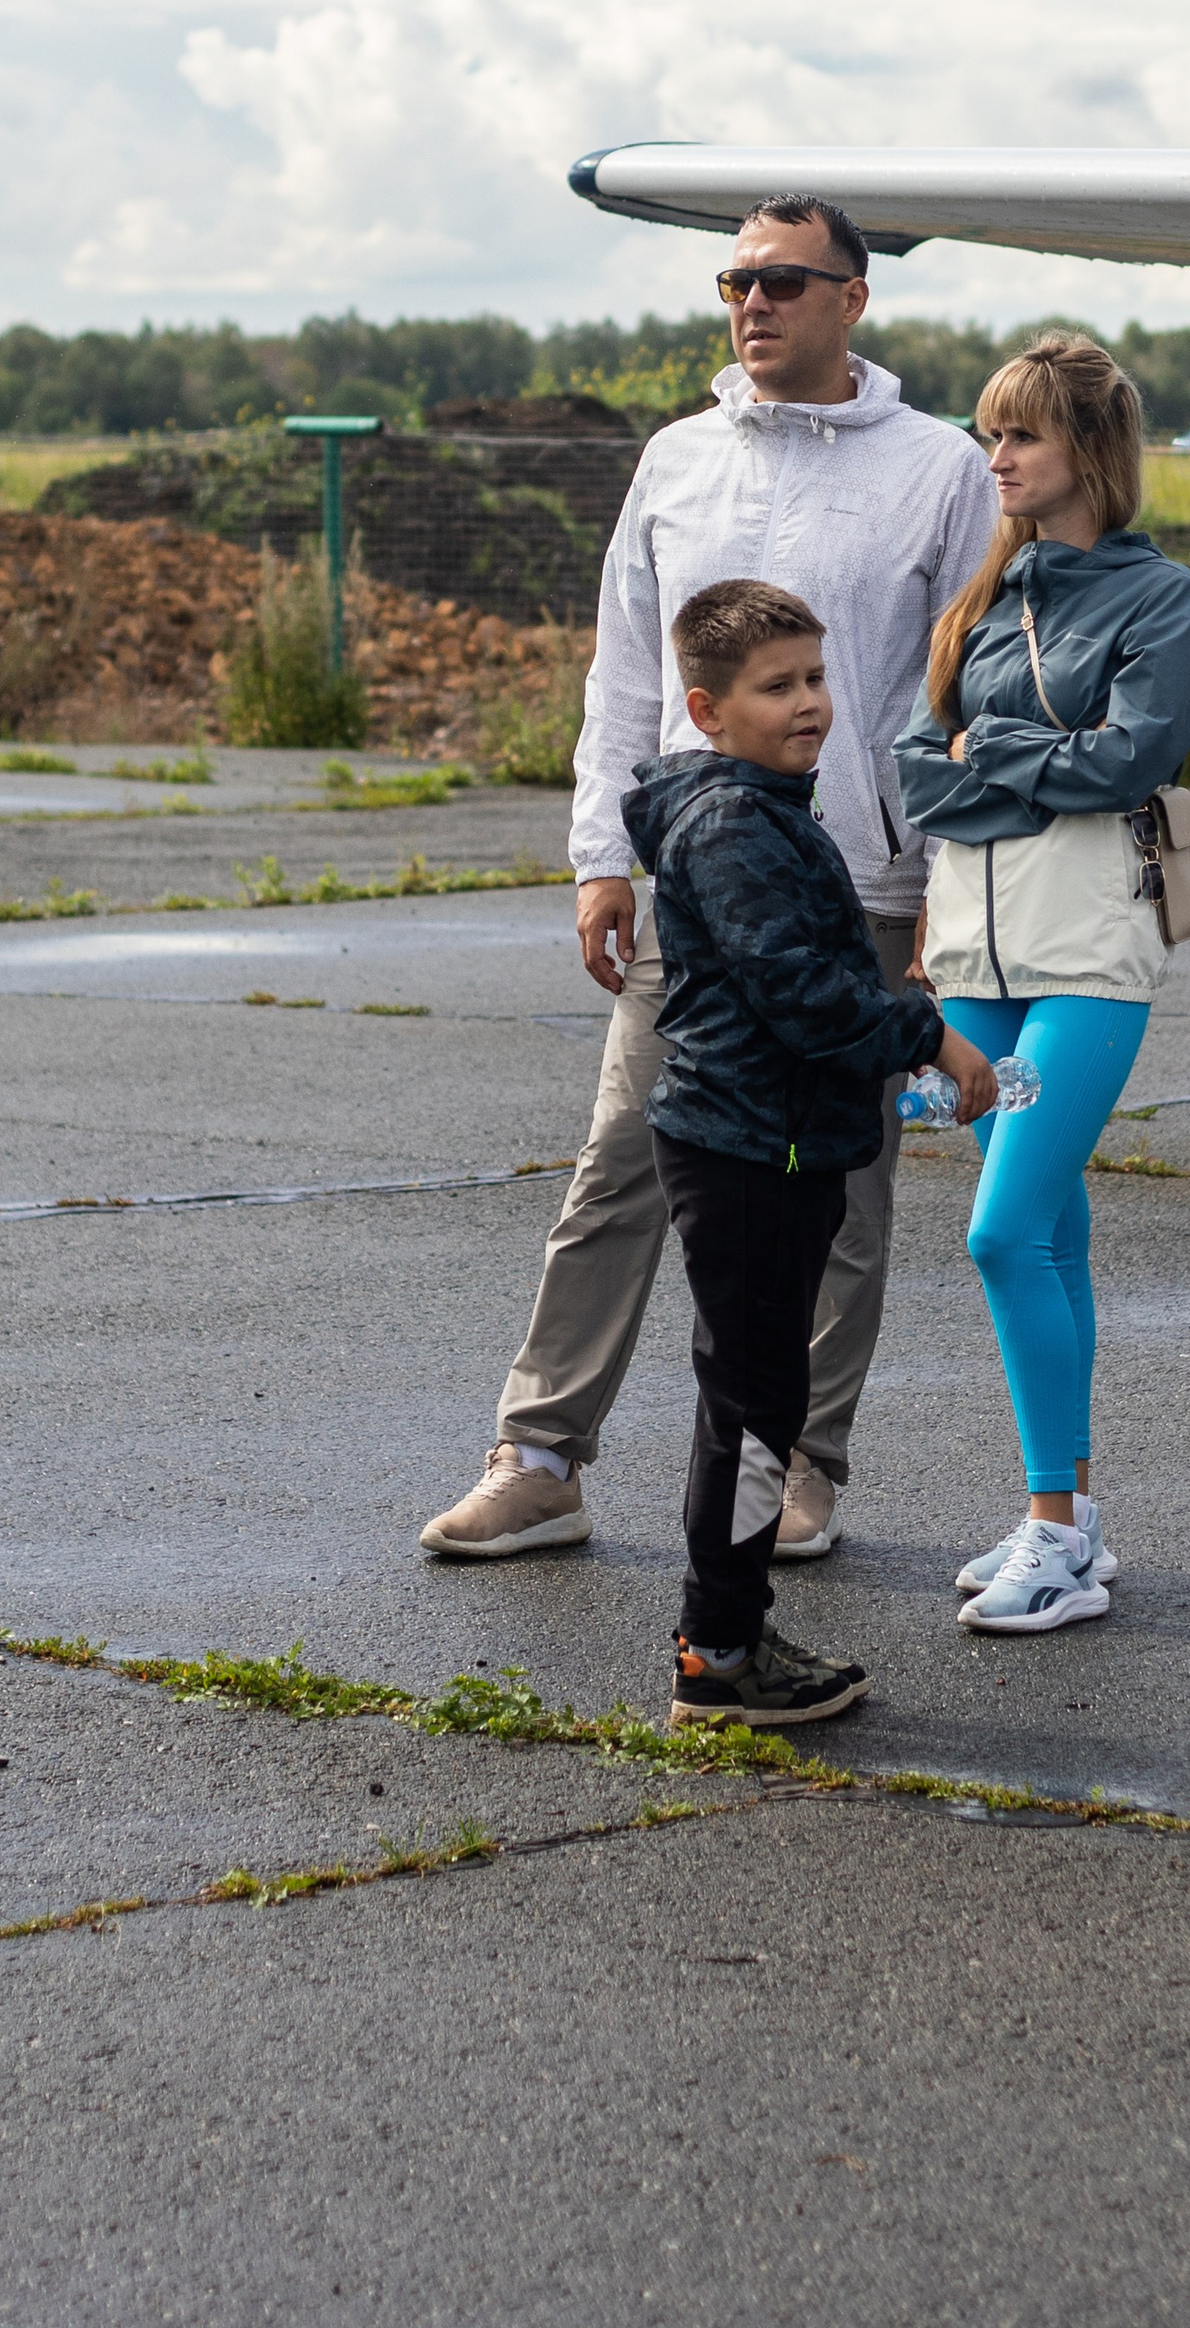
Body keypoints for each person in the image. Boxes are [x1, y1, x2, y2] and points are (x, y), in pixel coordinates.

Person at [420, 195, 997, 1561]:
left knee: (841, 1192)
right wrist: (599, 855)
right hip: (693, 883)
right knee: (622, 1161)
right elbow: (624, 664)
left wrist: (946, 888)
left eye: (784, 281)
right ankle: (540, 1456)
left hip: (864, 888)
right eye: (736, 281)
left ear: (852, 297)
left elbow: (960, 692)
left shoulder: (939, 468)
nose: (754, 303)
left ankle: (796, 1467)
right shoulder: (676, 458)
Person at [626, 579, 998, 1726]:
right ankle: (720, 1652)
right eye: (775, 686)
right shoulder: (733, 826)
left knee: (755, 1396)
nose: (808, 703)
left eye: (815, 678)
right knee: (753, 1406)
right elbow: (800, 996)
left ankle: (727, 1631)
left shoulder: (771, 808)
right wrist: (926, 1034)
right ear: (707, 709)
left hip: (775, 1142)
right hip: (749, 1151)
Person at [894, 333, 1190, 1637]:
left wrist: (995, 750)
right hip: (971, 972)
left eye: (1021, 433)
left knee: (1002, 1231)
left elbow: (1133, 758)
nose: (998, 456)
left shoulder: (1161, 597)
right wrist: (1033, 755)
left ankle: (1054, 1532)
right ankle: (1072, 1517)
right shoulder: (977, 601)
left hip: (1088, 958)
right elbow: (915, 772)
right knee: (1050, 1226)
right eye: (990, 433)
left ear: (1089, 447)